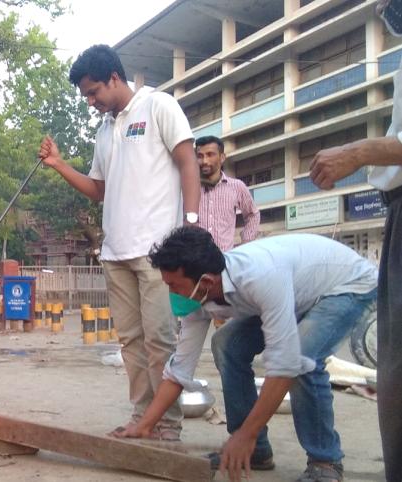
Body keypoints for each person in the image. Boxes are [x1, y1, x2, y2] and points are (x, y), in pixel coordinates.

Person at [115, 227, 377, 482]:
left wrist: (245, 435)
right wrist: (145, 424)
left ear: (206, 281)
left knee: (302, 356)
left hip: (346, 286)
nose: (171, 293)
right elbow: (179, 370)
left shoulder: (260, 277)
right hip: (297, 292)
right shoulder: (199, 296)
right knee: (226, 344)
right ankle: (256, 452)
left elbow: (284, 365)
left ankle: (325, 461)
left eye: (174, 286)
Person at [38, 44, 201, 440]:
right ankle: (142, 418)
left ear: (114, 77)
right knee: (131, 342)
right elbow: (99, 190)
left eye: (94, 92)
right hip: (115, 253)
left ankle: (168, 426)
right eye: (86, 96)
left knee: (161, 340)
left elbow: (187, 161)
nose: (91, 102)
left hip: (157, 253)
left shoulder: (158, 106)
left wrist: (192, 225)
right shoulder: (104, 130)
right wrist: (59, 165)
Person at [309, 2, 402, 479]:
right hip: (394, 210)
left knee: (305, 358)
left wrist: (360, 150)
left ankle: (323, 460)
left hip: (353, 281)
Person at [195, 135, 260, 251]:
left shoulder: (237, 186)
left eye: (210, 154)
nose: (204, 161)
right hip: (194, 263)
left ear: (222, 157)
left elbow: (252, 214)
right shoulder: (189, 189)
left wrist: (246, 243)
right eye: (200, 156)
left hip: (225, 261)